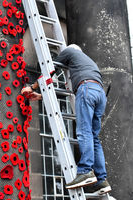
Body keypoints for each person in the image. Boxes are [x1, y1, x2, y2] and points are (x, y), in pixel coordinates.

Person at [21, 44, 111, 195]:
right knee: (94, 137)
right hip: (99, 93)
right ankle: (102, 180)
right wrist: (42, 96)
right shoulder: (87, 64)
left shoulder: (69, 52)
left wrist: (33, 87)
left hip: (86, 88)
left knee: (84, 132)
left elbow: (50, 71)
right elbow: (69, 92)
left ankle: (85, 171)